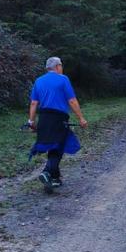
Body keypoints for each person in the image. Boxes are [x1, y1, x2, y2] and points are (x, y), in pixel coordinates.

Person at [27, 56, 88, 192]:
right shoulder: (63, 79)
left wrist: (31, 121)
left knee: (52, 146)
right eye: (61, 66)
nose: (62, 68)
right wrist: (81, 118)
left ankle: (55, 178)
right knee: (58, 146)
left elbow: (33, 103)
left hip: (43, 118)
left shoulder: (38, 81)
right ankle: (47, 172)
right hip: (58, 118)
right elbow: (72, 101)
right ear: (57, 66)